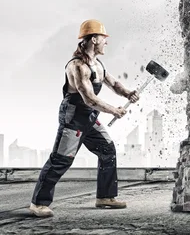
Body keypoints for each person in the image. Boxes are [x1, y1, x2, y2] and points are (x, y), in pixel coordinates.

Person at [29, 19, 140, 217]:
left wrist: (128, 93)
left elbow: (113, 84)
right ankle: (38, 203)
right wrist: (114, 111)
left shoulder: (97, 64)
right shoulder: (78, 66)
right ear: (94, 39)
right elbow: (89, 98)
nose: (107, 42)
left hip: (89, 117)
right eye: (104, 38)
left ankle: (105, 197)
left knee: (107, 150)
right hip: (74, 117)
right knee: (60, 159)